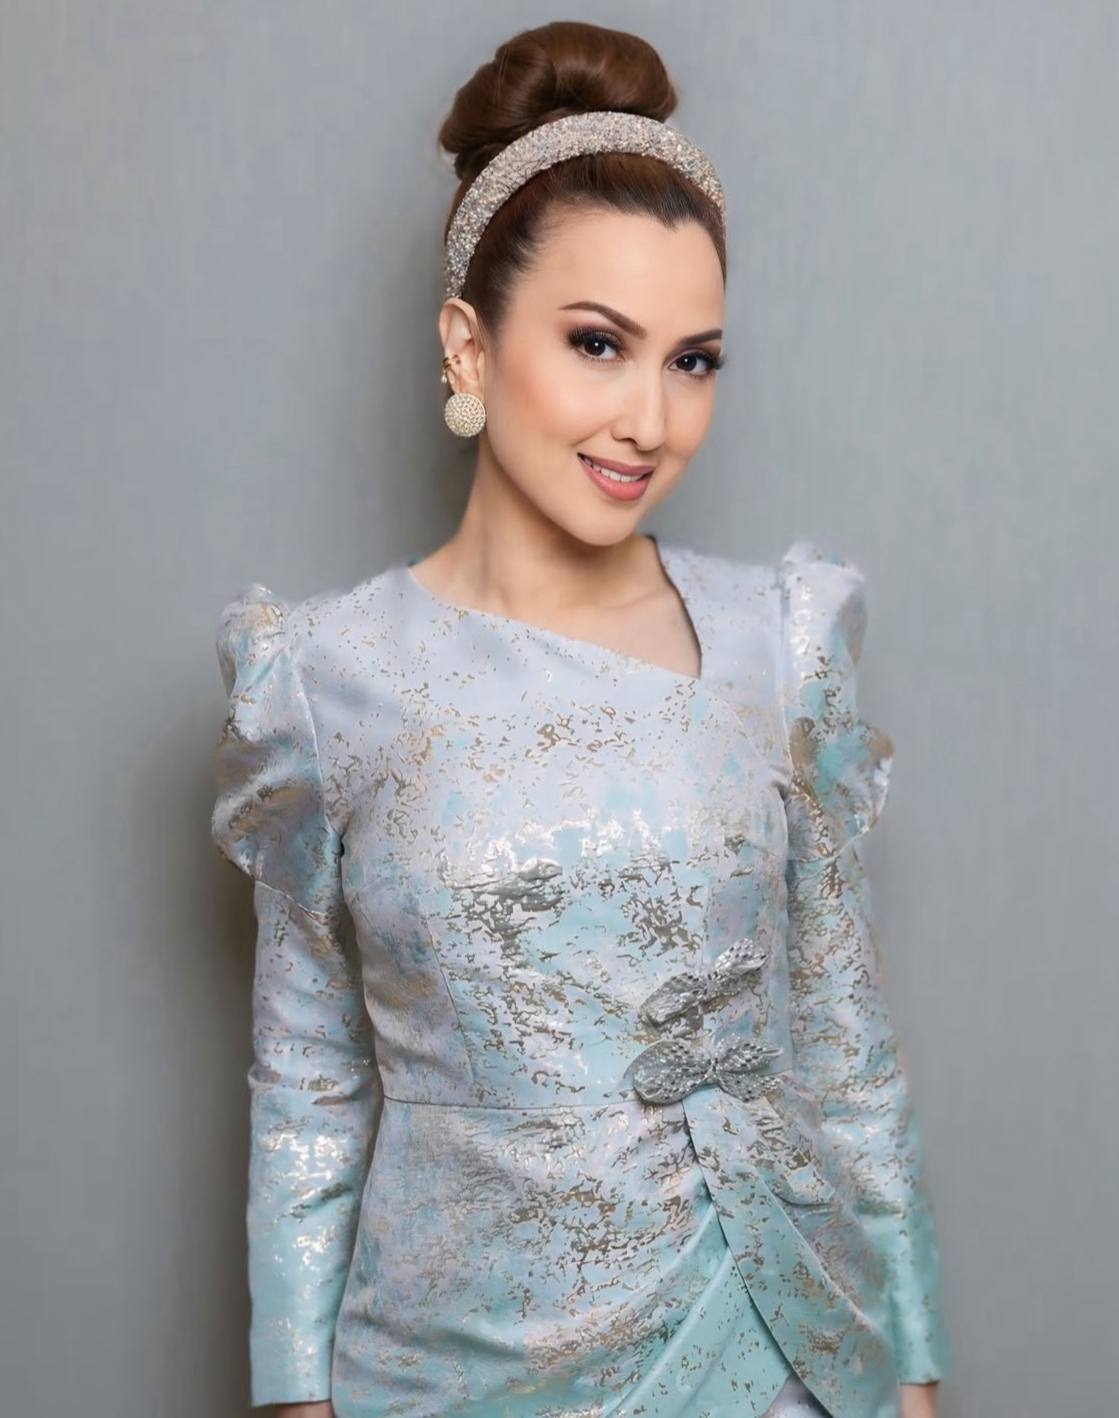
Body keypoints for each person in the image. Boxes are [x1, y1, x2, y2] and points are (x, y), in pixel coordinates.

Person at [210, 20, 952, 1418]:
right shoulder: (323, 679)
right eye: (599, 344)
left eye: (694, 361)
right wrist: (296, 1398)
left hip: (771, 1346)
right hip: (446, 1369)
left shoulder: (782, 643)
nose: (650, 421)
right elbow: (306, 1082)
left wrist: (908, 1372)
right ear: (469, 346)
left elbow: (845, 1047)